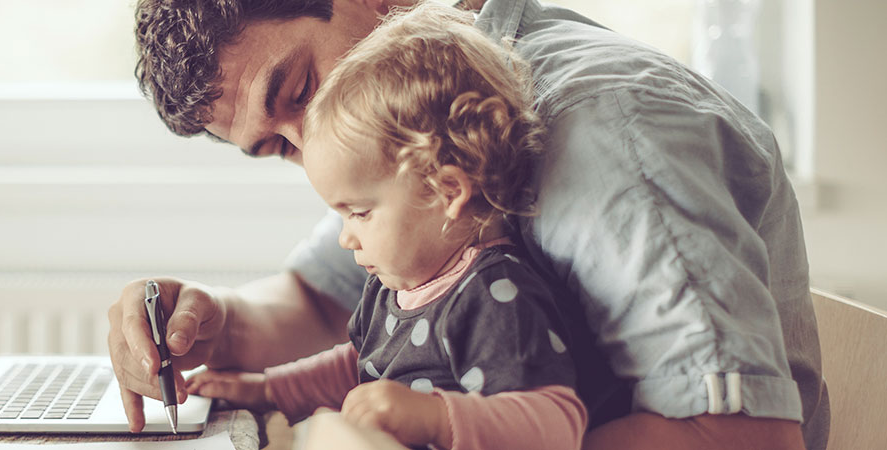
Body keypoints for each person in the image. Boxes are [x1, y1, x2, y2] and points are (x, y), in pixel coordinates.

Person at [110, 0, 826, 448]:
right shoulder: (405, 132)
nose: (312, 150)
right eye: (278, 148)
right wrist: (210, 321)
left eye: (299, 92)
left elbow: (746, 438)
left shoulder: (601, 132)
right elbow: (320, 302)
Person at [184, 4, 596, 448]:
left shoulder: (495, 294)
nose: (345, 237)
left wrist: (436, 418)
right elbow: (358, 366)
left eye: (358, 213)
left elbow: (556, 422)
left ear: (446, 191)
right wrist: (269, 390)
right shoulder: (395, 288)